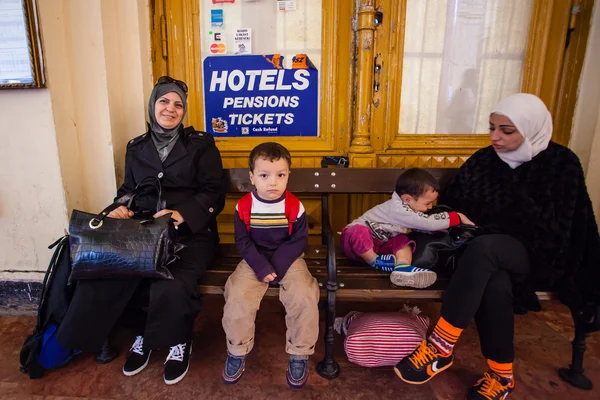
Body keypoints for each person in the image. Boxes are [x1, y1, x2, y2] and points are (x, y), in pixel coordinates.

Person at [394, 93, 600, 399]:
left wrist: (492, 231)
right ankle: (502, 376)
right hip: (483, 257)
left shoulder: (560, 164)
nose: (495, 137)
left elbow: (562, 225)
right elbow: (456, 205)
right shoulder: (484, 160)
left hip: (536, 254)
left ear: (530, 128)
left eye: (506, 130)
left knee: (487, 250)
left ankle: (440, 345)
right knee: (494, 279)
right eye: (492, 128)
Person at [57, 76, 226, 385]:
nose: (171, 109)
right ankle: (141, 335)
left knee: (173, 282)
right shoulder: (136, 147)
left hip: (190, 234)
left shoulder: (201, 145)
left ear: (184, 111)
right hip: (143, 233)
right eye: (164, 101)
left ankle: (178, 340)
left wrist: (182, 214)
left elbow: (214, 192)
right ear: (152, 105)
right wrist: (119, 208)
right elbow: (127, 191)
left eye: (178, 105)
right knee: (119, 274)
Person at [221, 142, 319, 389]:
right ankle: (237, 349)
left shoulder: (295, 206)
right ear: (252, 177)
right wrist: (262, 268)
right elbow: (243, 242)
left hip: (288, 258)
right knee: (237, 295)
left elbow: (299, 241)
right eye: (264, 175)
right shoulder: (243, 206)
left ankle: (299, 353)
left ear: (288, 176)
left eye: (280, 175)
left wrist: (276, 265)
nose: (272, 182)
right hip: (254, 258)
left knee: (304, 295)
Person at [340, 168, 474, 288]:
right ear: (407, 199)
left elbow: (420, 226)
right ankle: (374, 261)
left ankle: (402, 267)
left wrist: (436, 229)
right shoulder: (398, 209)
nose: (430, 207)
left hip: (381, 245)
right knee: (357, 230)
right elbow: (426, 222)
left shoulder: (408, 207)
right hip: (357, 246)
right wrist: (456, 217)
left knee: (403, 241)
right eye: (427, 203)